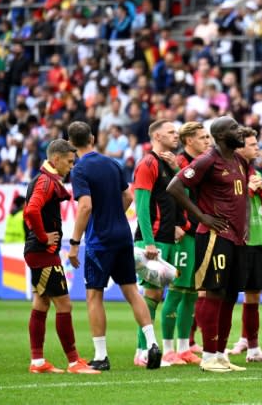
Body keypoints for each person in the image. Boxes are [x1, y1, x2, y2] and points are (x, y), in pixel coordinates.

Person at [66, 121, 161, 371]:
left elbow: (85, 206)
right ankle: (152, 343)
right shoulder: (113, 163)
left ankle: (101, 356)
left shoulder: (79, 170)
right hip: (122, 235)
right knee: (131, 291)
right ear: (93, 139)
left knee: (94, 294)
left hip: (100, 240)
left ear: (71, 144)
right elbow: (128, 195)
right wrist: (115, 216)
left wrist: (74, 243)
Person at [167, 116, 251, 373]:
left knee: (230, 295)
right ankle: (207, 356)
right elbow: (175, 186)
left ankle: (221, 354)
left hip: (237, 237)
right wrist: (201, 217)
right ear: (223, 135)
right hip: (215, 236)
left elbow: (243, 197)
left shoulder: (238, 160)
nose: (240, 132)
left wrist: (245, 226)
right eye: (234, 128)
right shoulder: (207, 160)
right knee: (213, 292)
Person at [24, 139, 99, 375]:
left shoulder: (45, 179)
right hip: (43, 253)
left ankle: (38, 362)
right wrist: (44, 238)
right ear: (55, 159)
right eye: (68, 161)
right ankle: (74, 361)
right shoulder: (46, 182)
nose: (71, 166)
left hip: (38, 252)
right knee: (64, 304)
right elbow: (31, 210)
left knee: (41, 302)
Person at [132, 120, 192, 367]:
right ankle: (141, 351)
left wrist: (176, 169)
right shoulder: (147, 164)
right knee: (152, 293)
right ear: (156, 135)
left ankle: (146, 349)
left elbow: (183, 198)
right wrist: (148, 242)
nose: (176, 135)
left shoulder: (169, 164)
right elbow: (142, 205)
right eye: (170, 132)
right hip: (153, 240)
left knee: (157, 294)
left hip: (166, 237)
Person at [228, 127, 262, 364]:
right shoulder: (229, 170)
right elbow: (227, 204)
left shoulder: (254, 171)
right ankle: (215, 350)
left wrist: (258, 193)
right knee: (225, 296)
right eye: (252, 144)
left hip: (258, 239)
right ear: (238, 147)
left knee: (253, 297)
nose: (257, 148)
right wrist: (249, 190)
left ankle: (253, 349)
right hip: (240, 241)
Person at [175, 121, 212, 355]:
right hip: (185, 232)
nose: (208, 141)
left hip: (201, 230)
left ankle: (188, 341)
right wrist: (179, 224)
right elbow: (170, 194)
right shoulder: (180, 163)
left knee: (198, 288)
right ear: (189, 141)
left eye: (209, 137)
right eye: (203, 137)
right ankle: (176, 344)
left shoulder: (204, 163)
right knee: (180, 289)